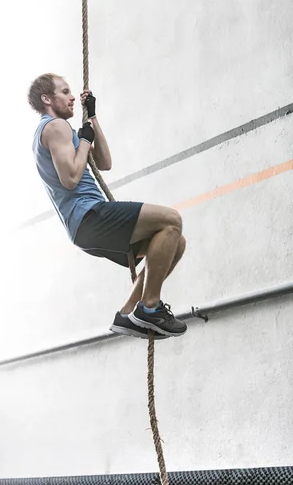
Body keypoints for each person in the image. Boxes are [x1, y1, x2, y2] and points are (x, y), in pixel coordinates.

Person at [30, 73, 187, 340]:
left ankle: (127, 315)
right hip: (88, 215)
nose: (71, 97)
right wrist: (85, 141)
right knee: (171, 219)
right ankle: (150, 307)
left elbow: (104, 163)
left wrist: (91, 118)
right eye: (65, 91)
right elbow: (70, 179)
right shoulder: (54, 127)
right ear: (47, 98)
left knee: (175, 242)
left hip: (85, 228)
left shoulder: (61, 131)